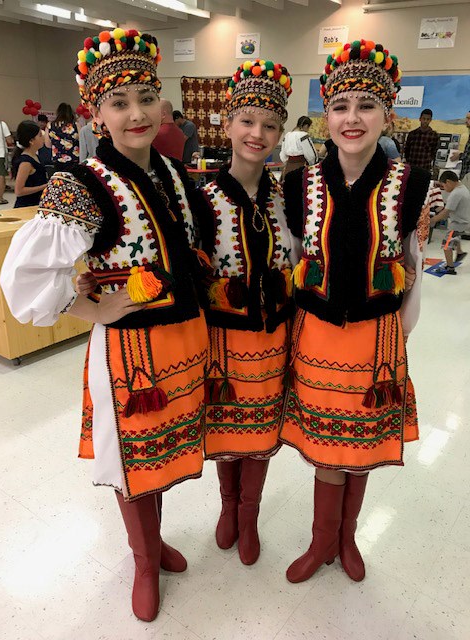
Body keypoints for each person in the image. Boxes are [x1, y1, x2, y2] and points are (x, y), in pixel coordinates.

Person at [0, 28, 208, 623]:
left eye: (146, 97)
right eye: (120, 102)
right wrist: (90, 308)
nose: (137, 113)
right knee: (131, 460)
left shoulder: (172, 172)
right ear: (96, 110)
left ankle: (157, 540)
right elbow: (26, 276)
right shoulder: (82, 184)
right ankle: (142, 560)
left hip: (182, 340)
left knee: (161, 456)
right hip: (128, 352)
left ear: (163, 102)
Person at [280, 38, 431, 585]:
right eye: (341, 106)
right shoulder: (298, 184)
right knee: (326, 446)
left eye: (366, 106)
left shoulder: (409, 186)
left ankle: (347, 539)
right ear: (326, 116)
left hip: (377, 337)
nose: (353, 118)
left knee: (360, 442)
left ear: (388, 114)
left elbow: (412, 264)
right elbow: (296, 258)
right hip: (318, 333)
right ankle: (323, 540)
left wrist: (401, 331)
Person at [196, 58, 299, 565]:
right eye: (248, 120)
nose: (257, 133)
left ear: (281, 132)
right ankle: (228, 505)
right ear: (229, 122)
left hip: (273, 336)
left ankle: (250, 515)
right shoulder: (202, 198)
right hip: (220, 338)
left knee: (260, 427)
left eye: (270, 124)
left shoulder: (288, 199)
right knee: (225, 424)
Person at [430, 170, 469, 274]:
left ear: (448, 182)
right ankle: (460, 252)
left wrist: (433, 220)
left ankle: (450, 267)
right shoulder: (462, 187)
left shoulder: (456, 193)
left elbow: (446, 213)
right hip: (464, 221)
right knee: (455, 237)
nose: (444, 189)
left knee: (446, 245)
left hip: (458, 223)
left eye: (443, 186)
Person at [12, 120, 48, 208]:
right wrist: (44, 186)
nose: (43, 138)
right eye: (40, 135)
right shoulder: (26, 162)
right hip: (27, 206)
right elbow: (19, 191)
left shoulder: (35, 156)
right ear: (31, 141)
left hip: (37, 203)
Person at [280, 115, 318, 180]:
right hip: (300, 166)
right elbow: (311, 155)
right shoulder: (303, 136)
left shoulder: (287, 135)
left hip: (288, 167)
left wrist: (287, 163)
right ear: (306, 125)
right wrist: (312, 164)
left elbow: (283, 155)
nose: (308, 130)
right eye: (309, 127)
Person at [45, 102, 80, 169]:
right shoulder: (76, 125)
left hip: (58, 160)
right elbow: (82, 142)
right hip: (74, 159)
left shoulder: (50, 125)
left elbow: (47, 145)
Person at [404, 108, 439, 172]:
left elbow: (434, 151)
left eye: (428, 119)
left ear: (430, 120)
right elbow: (407, 150)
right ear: (420, 119)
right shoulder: (412, 134)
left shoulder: (434, 135)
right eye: (424, 118)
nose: (425, 121)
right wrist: (408, 161)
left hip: (425, 168)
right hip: (411, 167)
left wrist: (429, 160)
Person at [450, 110, 470, 185]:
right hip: (465, 177)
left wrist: (459, 155)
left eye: (469, 118)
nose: (466, 121)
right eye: (466, 118)